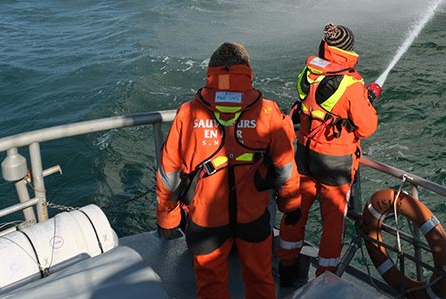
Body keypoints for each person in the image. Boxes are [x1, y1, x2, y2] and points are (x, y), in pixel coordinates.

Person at [156, 42, 301, 299]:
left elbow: (169, 173)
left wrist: (168, 217)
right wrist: (290, 206)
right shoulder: (268, 111)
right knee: (260, 280)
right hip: (253, 217)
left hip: (205, 222)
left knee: (210, 288)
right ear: (248, 73)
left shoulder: (187, 113)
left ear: (210, 74)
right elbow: (285, 167)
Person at [277, 24, 380, 285]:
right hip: (334, 161)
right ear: (348, 50)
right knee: (333, 223)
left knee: (297, 211)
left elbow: (312, 103)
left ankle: (287, 266)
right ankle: (325, 279)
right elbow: (366, 127)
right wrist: (366, 99)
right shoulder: (351, 84)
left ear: (325, 46)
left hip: (305, 156)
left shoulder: (308, 73)